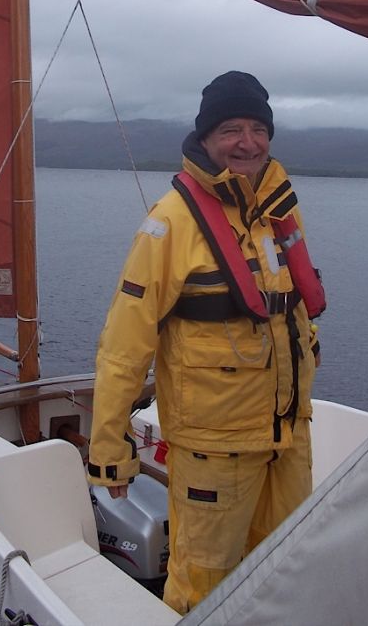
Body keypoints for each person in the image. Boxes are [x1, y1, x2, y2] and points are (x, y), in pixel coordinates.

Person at [88, 71, 324, 614]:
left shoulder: (277, 212)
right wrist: (110, 450)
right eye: (231, 130)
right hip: (215, 451)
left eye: (258, 129)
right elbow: (124, 347)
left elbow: (291, 307)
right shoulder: (169, 224)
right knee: (202, 588)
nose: (247, 143)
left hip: (288, 436)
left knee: (286, 569)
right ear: (206, 137)